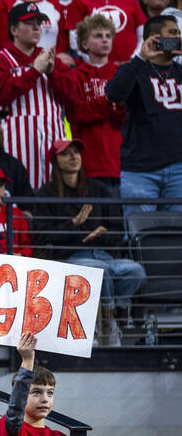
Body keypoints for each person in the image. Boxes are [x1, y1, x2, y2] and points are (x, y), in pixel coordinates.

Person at [34, 139, 145, 346]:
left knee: (135, 271)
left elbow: (118, 231)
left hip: (103, 255)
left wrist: (102, 233)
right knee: (99, 272)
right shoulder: (46, 194)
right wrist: (73, 224)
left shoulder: (99, 189)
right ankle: (107, 324)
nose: (74, 157)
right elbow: (41, 236)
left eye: (76, 152)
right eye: (66, 154)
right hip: (70, 258)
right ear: (55, 161)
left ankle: (110, 314)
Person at [0, 0, 75, 188]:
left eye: (38, 23)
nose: (36, 28)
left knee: (51, 196)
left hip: (52, 137)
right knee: (18, 194)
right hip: (15, 141)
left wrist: (52, 73)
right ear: (14, 30)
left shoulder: (52, 60)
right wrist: (34, 71)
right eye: (29, 23)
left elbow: (72, 96)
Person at [105, 16, 182, 215]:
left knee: (176, 239)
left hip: (179, 169)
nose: (179, 37)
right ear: (154, 38)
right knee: (139, 236)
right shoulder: (134, 69)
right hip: (140, 170)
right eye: (173, 33)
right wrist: (140, 59)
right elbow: (113, 93)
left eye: (179, 33)